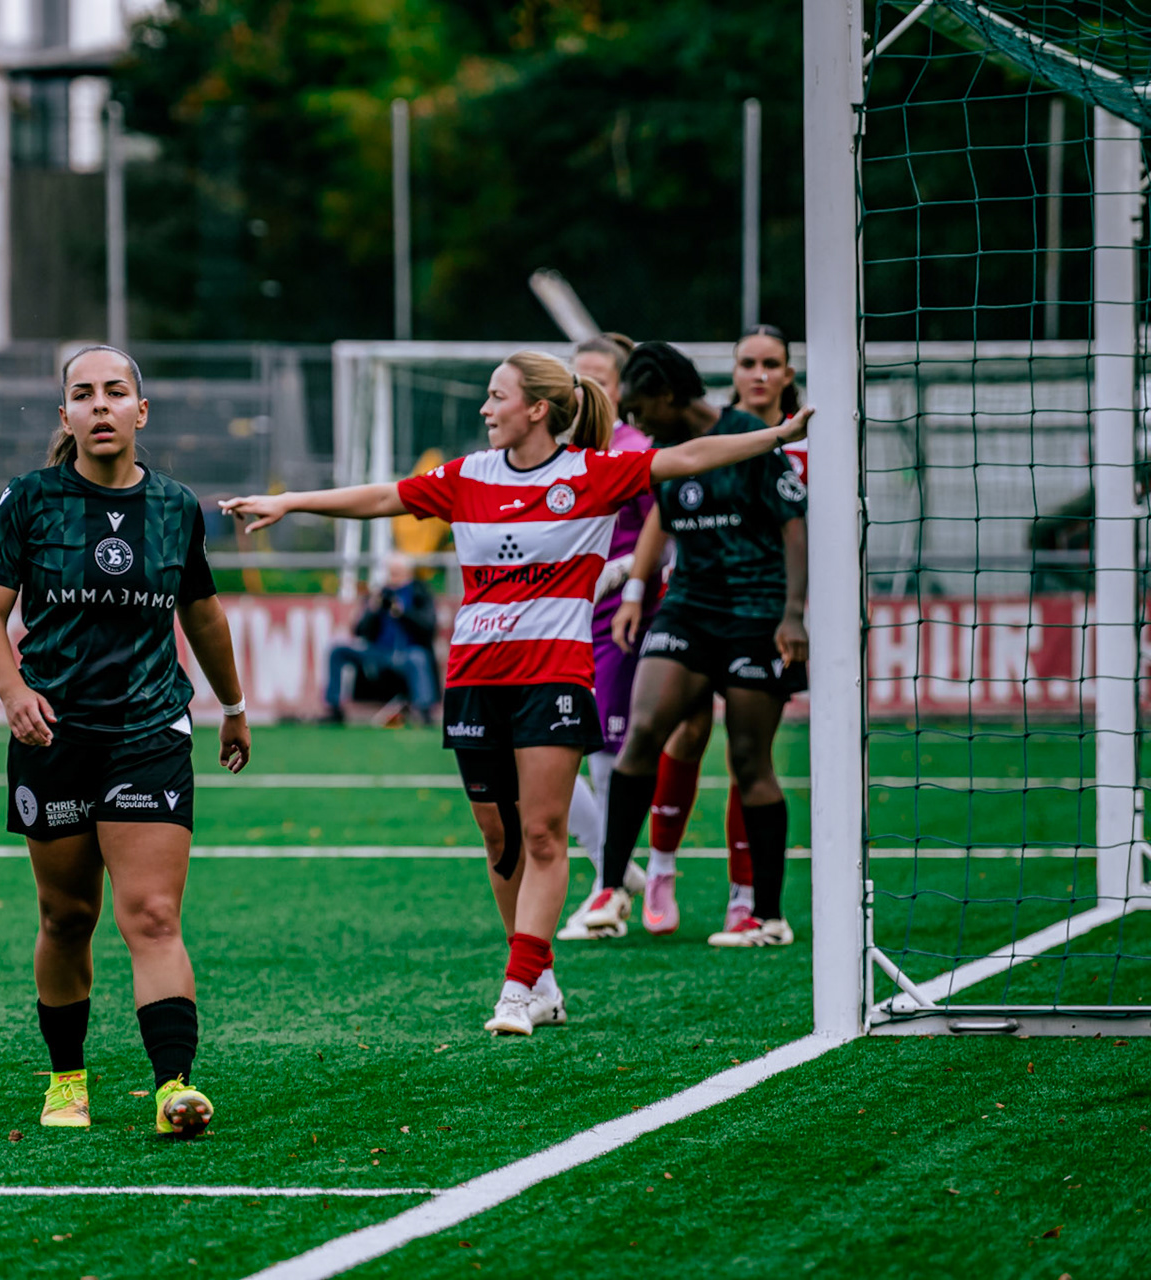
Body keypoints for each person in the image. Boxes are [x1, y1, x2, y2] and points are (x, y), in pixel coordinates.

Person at [224, 350, 808, 1033]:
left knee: (542, 832)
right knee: (499, 836)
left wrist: (774, 436)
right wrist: (289, 501)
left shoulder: (591, 474)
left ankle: (516, 986)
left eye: (496, 396)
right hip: (475, 678)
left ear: (536, 408)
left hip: (554, 678)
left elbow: (689, 456)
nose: (484, 408)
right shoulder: (468, 475)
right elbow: (383, 498)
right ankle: (542, 979)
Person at [0, 345, 250, 1139]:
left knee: (153, 915)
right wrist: (13, 692)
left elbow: (202, 613)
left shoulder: (174, 506)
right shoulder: (30, 500)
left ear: (140, 411)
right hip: (53, 736)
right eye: (84, 394)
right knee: (67, 917)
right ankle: (67, 1081)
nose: (101, 405)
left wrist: (232, 704)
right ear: (65, 415)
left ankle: (174, 1088)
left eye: (116, 392)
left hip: (148, 732)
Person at [582, 341, 810, 948]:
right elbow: (659, 520)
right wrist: (636, 590)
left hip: (754, 612)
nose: (634, 422)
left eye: (638, 409)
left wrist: (792, 615)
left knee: (749, 759)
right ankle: (611, 888)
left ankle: (767, 916)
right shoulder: (664, 454)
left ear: (666, 395)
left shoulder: (745, 438)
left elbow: (794, 527)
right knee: (643, 731)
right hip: (687, 607)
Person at [554, 333, 653, 939]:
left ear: (622, 389)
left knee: (602, 751)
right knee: (542, 746)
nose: (585, 390)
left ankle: (608, 883)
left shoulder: (635, 451)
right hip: (557, 615)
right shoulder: (556, 450)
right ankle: (613, 867)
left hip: (615, 616)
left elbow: (665, 527)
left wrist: (625, 575)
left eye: (600, 379)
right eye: (577, 378)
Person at [322, 551, 439, 724]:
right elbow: (359, 631)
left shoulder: (420, 593)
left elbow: (428, 628)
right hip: (379, 652)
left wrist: (403, 613)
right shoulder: (379, 594)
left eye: (397, 573)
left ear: (408, 573)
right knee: (338, 650)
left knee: (418, 658)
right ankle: (334, 708)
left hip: (407, 653)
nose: (393, 578)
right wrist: (372, 610)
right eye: (390, 573)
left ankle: (424, 711)